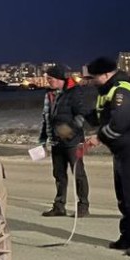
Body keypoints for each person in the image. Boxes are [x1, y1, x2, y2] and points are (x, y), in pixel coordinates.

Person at [84, 56, 130, 256]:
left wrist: (99, 137)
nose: (92, 81)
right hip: (120, 150)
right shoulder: (107, 91)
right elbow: (99, 115)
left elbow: (120, 122)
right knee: (123, 197)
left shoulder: (123, 90)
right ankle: (127, 237)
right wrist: (78, 120)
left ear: (105, 74)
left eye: (94, 77)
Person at [37, 65, 92, 218]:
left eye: (51, 79)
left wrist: (69, 130)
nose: (48, 81)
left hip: (73, 141)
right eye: (47, 79)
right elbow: (46, 119)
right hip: (56, 142)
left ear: (59, 79)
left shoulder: (74, 93)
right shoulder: (49, 95)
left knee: (78, 174)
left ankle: (83, 206)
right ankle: (59, 206)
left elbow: (82, 115)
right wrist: (43, 139)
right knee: (59, 174)